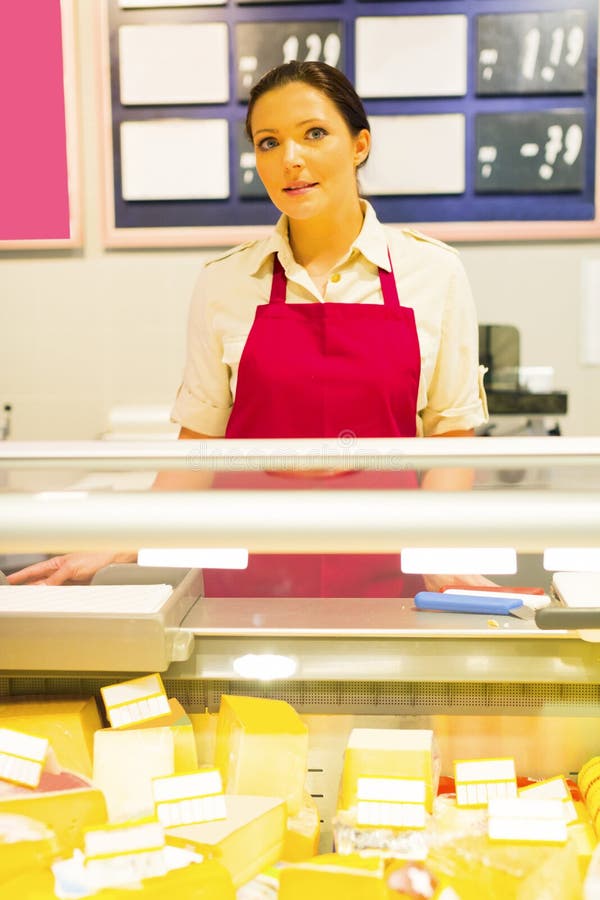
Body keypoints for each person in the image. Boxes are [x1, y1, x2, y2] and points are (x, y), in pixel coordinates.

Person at [9, 61, 489, 595]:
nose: (291, 159)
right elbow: (200, 446)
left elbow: (451, 432)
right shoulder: (226, 282)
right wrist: (118, 540)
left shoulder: (434, 272)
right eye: (268, 142)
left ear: (359, 145)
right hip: (252, 577)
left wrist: (440, 552)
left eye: (314, 133)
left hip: (389, 568)